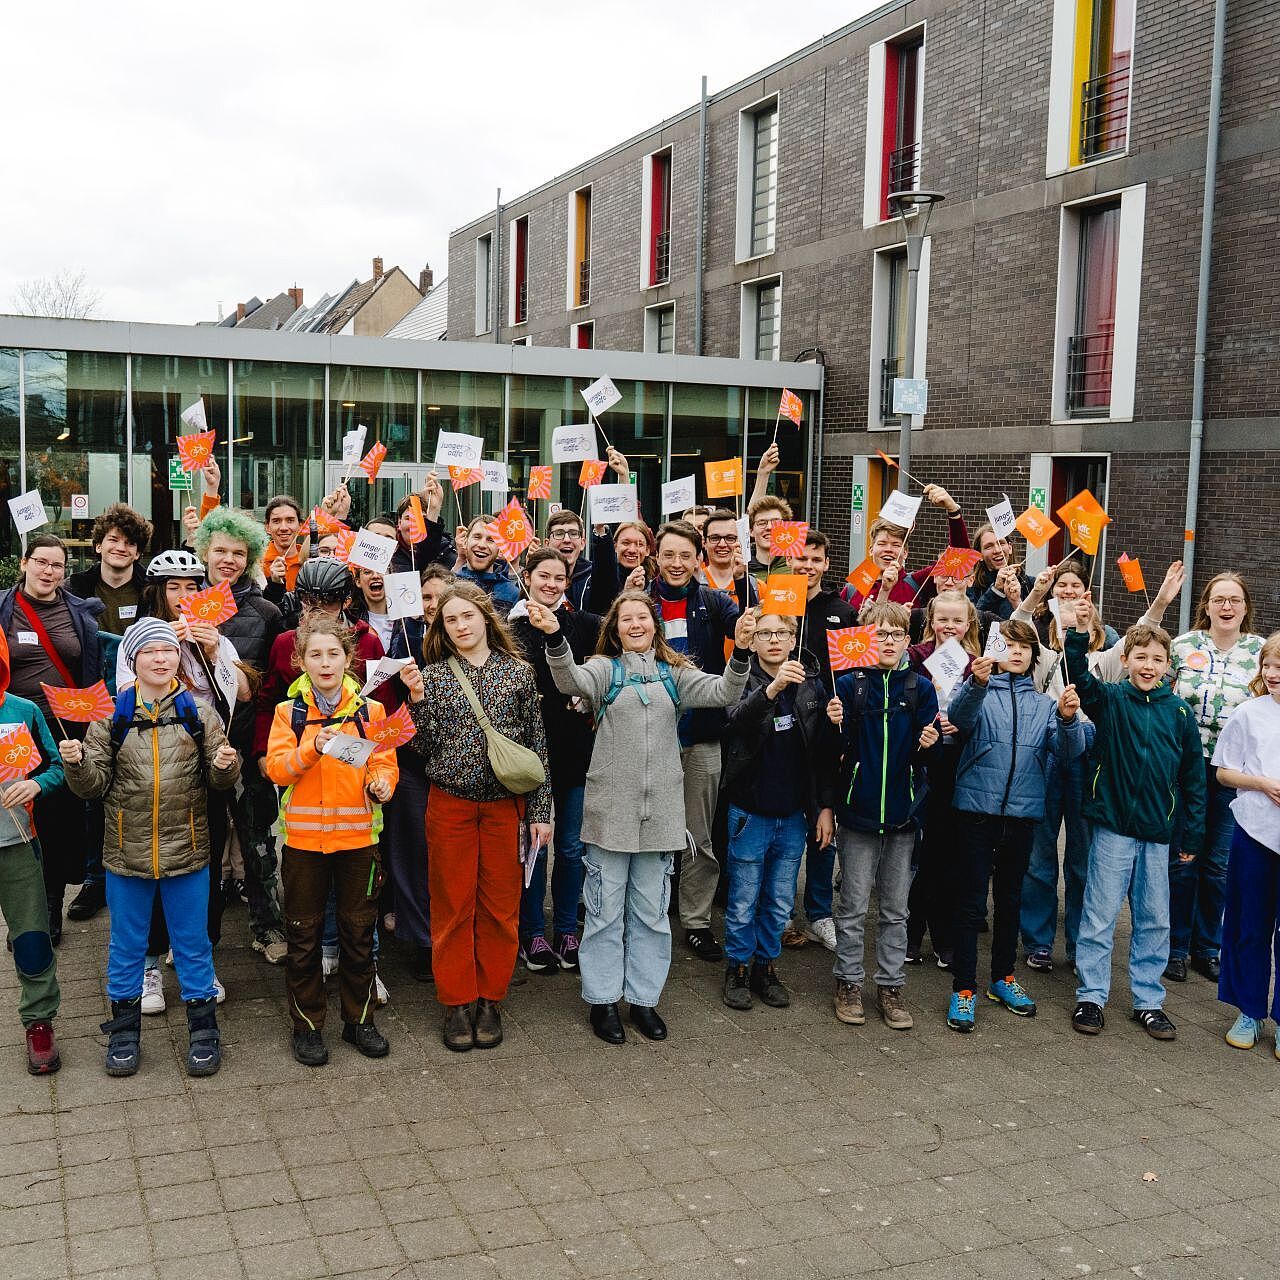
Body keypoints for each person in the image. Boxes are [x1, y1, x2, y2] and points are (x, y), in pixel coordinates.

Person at [529, 589, 753, 1043]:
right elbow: (569, 680)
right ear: (614, 628)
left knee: (651, 915)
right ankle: (603, 1000)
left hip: (662, 818)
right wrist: (555, 637)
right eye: (625, 619)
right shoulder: (603, 670)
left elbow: (726, 690)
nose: (635, 625)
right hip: (610, 817)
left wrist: (742, 648)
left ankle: (644, 1000)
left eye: (643, 618)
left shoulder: (676, 674)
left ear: (655, 626)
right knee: (604, 912)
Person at [60, 618, 240, 1077]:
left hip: (188, 851)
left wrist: (226, 764)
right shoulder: (111, 718)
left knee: (194, 945)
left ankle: (203, 1031)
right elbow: (92, 787)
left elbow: (220, 781)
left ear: (178, 657)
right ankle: (123, 1033)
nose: (161, 659)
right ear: (133, 660)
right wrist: (77, 765)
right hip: (127, 855)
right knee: (126, 946)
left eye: (168, 651)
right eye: (150, 652)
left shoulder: (200, 714)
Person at [403, 583, 552, 1052]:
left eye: (467, 616)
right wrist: (416, 703)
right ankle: (456, 999)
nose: (461, 626)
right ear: (441, 629)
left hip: (506, 806)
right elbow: (420, 749)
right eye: (450, 620)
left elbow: (537, 744)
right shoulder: (434, 676)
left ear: (486, 617)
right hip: (450, 805)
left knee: (500, 907)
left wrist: (541, 811)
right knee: (451, 905)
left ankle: (491, 997)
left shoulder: (519, 674)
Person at [1013, 560, 1181, 972]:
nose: (1069, 592)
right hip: (1043, 754)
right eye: (1062, 588)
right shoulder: (1038, 653)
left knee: (1083, 856)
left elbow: (1140, 642)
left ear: (1090, 603)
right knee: (1039, 854)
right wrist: (1037, 593)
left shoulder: (1103, 660)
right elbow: (1015, 625)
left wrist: (1159, 601)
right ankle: (1037, 940)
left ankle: (1077, 941)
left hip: (1089, 757)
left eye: (1077, 587)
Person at [115, 549, 253, 1013]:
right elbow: (122, 702)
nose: (183, 596)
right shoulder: (135, 638)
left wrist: (213, 652)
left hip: (205, 766)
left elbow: (240, 697)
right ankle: (150, 963)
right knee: (149, 867)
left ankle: (201, 955)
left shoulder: (217, 637)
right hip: (149, 773)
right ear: (157, 592)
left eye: (192, 587)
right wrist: (162, 653)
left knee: (204, 867)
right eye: (173, 587)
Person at [1064, 601, 1206, 1041]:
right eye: (1140, 657)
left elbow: (1193, 779)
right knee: (1100, 914)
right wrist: (1077, 632)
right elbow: (1080, 677)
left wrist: (1192, 832)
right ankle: (1091, 996)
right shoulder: (1111, 699)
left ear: (1168, 666)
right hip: (1112, 827)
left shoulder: (1179, 713)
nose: (1148, 666)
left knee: (1154, 918)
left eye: (1157, 660)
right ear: (1125, 661)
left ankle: (1148, 1000)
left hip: (1158, 833)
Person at [264, 614, 399, 1066]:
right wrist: (311, 748)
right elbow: (276, 769)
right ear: (300, 660)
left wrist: (382, 783)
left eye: (334, 654)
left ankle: (360, 1020)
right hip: (303, 844)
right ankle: (306, 1027)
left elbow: (384, 762)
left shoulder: (371, 712)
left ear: (349, 658)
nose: (325, 663)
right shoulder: (289, 713)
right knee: (303, 938)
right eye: (315, 655)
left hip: (359, 841)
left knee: (358, 935)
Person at [943, 623, 1084, 1031]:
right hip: (975, 810)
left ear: (1034, 657)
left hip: (1022, 814)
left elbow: (1069, 752)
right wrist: (976, 683)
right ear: (995, 650)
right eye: (1011, 645)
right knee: (971, 903)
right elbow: (959, 718)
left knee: (1010, 901)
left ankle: (1003, 977)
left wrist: (1070, 720)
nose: (1018, 653)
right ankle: (964, 987)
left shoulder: (1046, 704)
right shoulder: (979, 691)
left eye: (1025, 647)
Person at [827, 600, 939, 1032]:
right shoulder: (850, 684)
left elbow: (931, 755)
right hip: (858, 813)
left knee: (896, 909)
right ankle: (848, 982)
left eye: (896, 634)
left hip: (902, 815)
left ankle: (891, 986)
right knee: (853, 906)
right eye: (879, 634)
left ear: (909, 641)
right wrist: (834, 722)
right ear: (863, 639)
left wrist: (932, 741)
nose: (888, 641)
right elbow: (833, 749)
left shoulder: (920, 687)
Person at [719, 608, 835, 1011]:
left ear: (793, 640)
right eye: (764, 633)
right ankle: (737, 966)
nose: (772, 640)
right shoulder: (741, 679)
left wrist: (823, 807)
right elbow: (732, 723)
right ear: (751, 640)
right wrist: (769, 691)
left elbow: (822, 755)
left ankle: (765, 967)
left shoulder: (811, 686)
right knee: (743, 898)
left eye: (781, 633)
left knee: (780, 899)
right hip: (750, 810)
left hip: (792, 814)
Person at [192, 506, 287, 964]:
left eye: (239, 552)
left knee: (258, 843)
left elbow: (268, 685)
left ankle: (267, 927)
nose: (228, 559)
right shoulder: (184, 605)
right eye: (220, 550)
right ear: (205, 551)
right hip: (192, 750)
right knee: (199, 845)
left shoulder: (266, 613)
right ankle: (195, 935)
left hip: (247, 746)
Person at [0, 534, 103, 944]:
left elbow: (93, 665)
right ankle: (23, 911)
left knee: (56, 816)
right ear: (24, 563)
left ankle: (49, 906)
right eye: (41, 562)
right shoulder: (4, 608)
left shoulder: (78, 612)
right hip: (13, 726)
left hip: (63, 726)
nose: (48, 571)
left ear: (65, 571)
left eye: (57, 565)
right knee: (18, 815)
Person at [649, 520, 741, 961]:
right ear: (657, 556)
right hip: (652, 738)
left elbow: (744, 628)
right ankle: (649, 911)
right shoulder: (639, 603)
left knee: (699, 836)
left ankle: (698, 920)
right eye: (669, 554)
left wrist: (753, 619)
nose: (677, 563)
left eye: (686, 555)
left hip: (702, 738)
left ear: (697, 557)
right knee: (651, 831)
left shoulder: (714, 601)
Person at [1167, 572, 1265, 984]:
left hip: (1236, 774)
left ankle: (1208, 947)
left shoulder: (1261, 652)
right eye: (1219, 599)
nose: (1227, 607)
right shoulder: (1182, 646)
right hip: (1185, 769)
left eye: (1235, 600)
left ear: (1246, 608)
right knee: (1183, 860)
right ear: (1204, 606)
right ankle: (1174, 947)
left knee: (1218, 864)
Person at [509, 548, 601, 972]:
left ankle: (566, 928)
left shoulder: (582, 624)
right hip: (528, 757)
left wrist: (590, 696)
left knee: (569, 847)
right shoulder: (510, 629)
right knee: (534, 849)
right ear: (526, 576)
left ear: (568, 582)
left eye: (559, 578)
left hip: (573, 754)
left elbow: (600, 669)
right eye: (543, 575)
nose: (550, 584)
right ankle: (530, 934)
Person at [65, 504, 153, 922]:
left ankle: (140, 875)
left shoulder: (149, 588)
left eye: (130, 542)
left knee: (140, 784)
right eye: (113, 540)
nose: (121, 548)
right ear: (99, 544)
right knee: (93, 791)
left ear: (138, 552)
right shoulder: (74, 587)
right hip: (90, 699)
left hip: (141, 699)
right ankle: (93, 879)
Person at [778, 529, 857, 952]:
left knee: (825, 823)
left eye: (816, 560)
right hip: (785, 728)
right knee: (789, 824)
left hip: (828, 729)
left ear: (826, 564)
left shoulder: (843, 611)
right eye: (801, 559)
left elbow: (854, 672)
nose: (807, 566)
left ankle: (820, 911)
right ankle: (783, 912)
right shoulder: (778, 602)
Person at [904, 590, 981, 968]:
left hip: (957, 763)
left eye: (956, 621)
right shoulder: (916, 657)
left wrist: (961, 723)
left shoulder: (975, 664)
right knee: (922, 852)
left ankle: (939, 934)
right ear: (930, 619)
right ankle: (913, 929)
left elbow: (981, 715)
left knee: (946, 851)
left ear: (968, 624)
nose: (949, 627)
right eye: (942, 619)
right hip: (922, 760)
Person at [1211, 631, 1280, 1052]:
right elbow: (1223, 771)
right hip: (1255, 833)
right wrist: (1260, 783)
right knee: (1248, 924)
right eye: (1267, 667)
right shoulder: (1249, 714)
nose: (1272, 675)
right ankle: (1249, 1010)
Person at [0, 632, 64, 1075]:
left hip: (16, 844)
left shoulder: (21, 711)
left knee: (32, 937)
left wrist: (37, 783)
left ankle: (39, 1022)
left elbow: (57, 765)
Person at [841, 485, 970, 610]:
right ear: (870, 550)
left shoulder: (917, 582)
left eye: (896, 545)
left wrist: (953, 510)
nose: (888, 549)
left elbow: (959, 557)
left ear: (906, 552)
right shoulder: (853, 587)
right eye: (882, 543)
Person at [455, 517, 521, 614]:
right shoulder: (449, 584)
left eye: (491, 540)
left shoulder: (512, 594)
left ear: (500, 550)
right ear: (465, 542)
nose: (482, 545)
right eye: (477, 537)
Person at [968, 523, 1032, 621]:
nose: (997, 550)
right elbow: (972, 621)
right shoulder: (971, 586)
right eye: (989, 547)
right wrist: (995, 591)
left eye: (1001, 543)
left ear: (1010, 548)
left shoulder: (1028, 584)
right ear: (979, 555)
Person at [701, 509, 759, 613]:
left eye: (730, 538)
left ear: (739, 541)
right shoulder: (692, 583)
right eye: (715, 538)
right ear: (704, 543)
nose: (722, 544)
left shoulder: (757, 586)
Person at [545, 510, 594, 612]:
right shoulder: (536, 579)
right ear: (547, 543)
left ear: (582, 543)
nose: (567, 539)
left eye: (573, 533)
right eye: (559, 534)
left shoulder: (593, 578)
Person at [261, 495, 307, 602]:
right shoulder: (257, 563)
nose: (283, 528)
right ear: (267, 527)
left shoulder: (309, 561)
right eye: (276, 521)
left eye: (290, 520)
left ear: (300, 526)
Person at [745, 494, 793, 581]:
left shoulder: (797, 565)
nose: (769, 527)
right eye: (762, 523)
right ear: (751, 531)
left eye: (776, 522)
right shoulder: (742, 567)